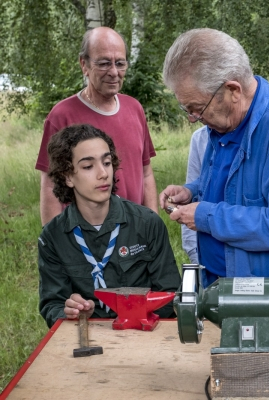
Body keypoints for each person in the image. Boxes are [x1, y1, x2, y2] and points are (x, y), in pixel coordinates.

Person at [159, 28, 269, 286]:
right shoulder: (224, 123)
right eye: (188, 110)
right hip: (221, 283)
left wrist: (207, 217)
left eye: (197, 109)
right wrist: (192, 192)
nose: (194, 119)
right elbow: (233, 189)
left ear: (233, 90)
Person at [38, 124, 181, 329]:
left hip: (144, 332)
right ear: (67, 176)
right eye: (88, 166)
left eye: (107, 162)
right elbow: (52, 304)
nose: (103, 173)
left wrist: (137, 320)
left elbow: (169, 294)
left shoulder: (147, 223)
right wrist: (70, 312)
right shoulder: (52, 237)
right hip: (88, 336)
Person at [36, 27, 158, 226]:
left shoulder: (134, 108)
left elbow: (146, 174)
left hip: (133, 234)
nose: (113, 72)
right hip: (84, 239)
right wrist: (55, 243)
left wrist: (152, 226)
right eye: (103, 63)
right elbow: (51, 185)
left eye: (120, 63)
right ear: (84, 64)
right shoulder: (62, 115)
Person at [182, 126, 209, 264]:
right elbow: (192, 203)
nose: (192, 119)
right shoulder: (200, 138)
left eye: (197, 108)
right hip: (206, 262)